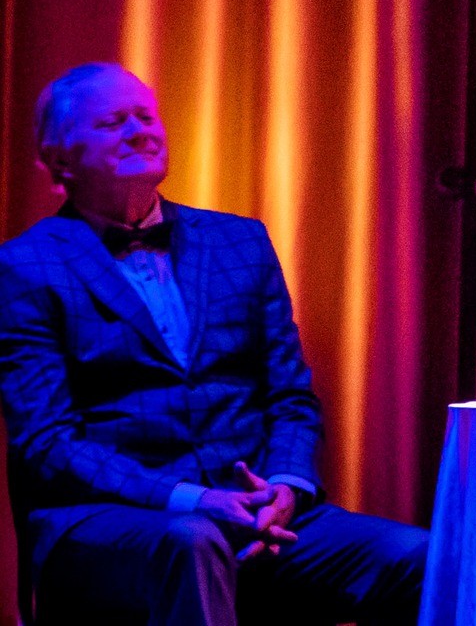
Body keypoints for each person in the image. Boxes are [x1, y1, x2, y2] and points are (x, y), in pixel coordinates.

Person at [0, 61, 427, 626]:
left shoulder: (239, 240)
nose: (138, 131)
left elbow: (291, 397)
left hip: (253, 506)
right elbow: (49, 441)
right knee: (194, 542)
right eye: (112, 123)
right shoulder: (24, 266)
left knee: (418, 559)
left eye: (145, 117)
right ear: (60, 159)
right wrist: (193, 499)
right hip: (108, 520)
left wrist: (284, 489)